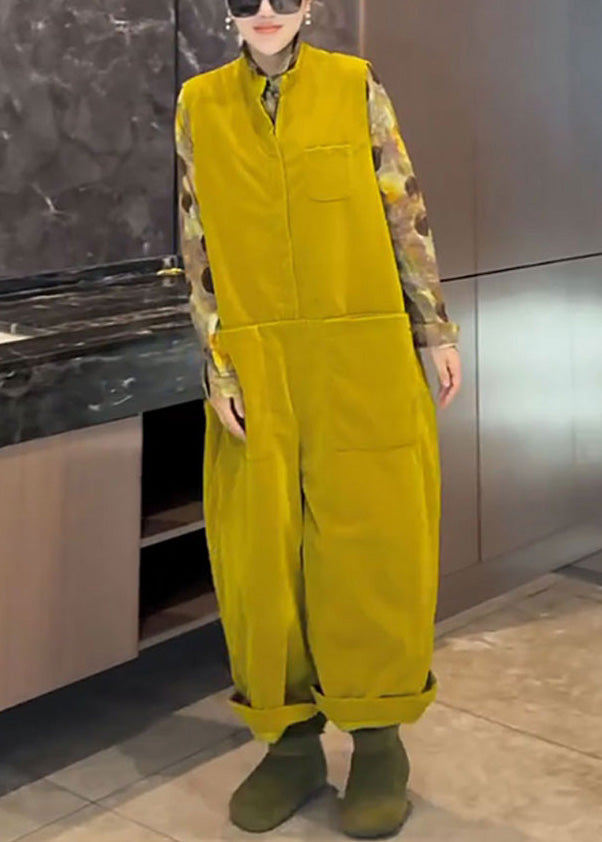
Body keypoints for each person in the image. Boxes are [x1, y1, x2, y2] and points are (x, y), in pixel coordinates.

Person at [175, 1, 462, 837]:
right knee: (261, 555)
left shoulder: (353, 85)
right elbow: (196, 236)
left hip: (361, 348)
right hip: (257, 356)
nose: (264, 12)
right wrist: (218, 360)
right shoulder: (199, 103)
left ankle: (378, 741)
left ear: (307, 5)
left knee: (373, 546)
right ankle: (290, 743)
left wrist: (434, 327)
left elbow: (402, 206)